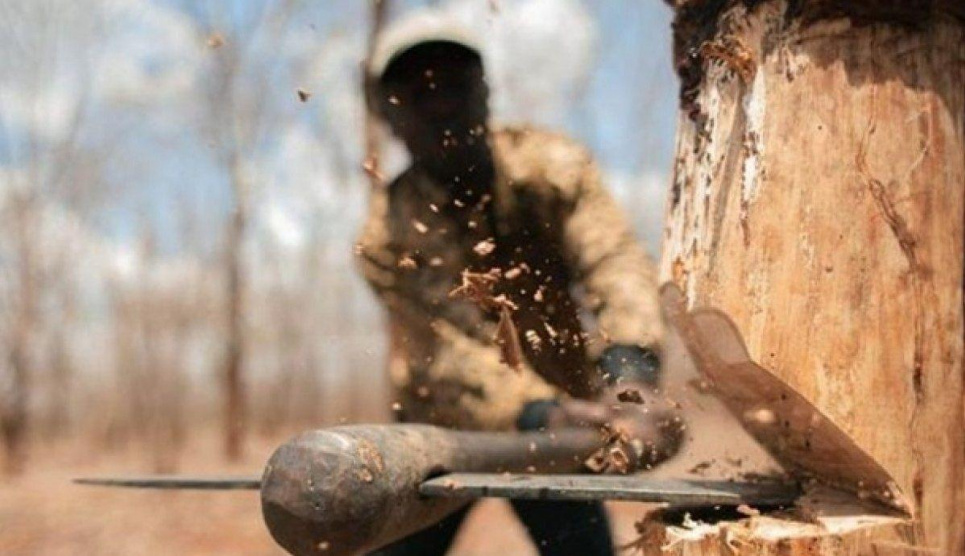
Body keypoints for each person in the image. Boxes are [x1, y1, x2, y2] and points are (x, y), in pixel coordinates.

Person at [356, 13, 680, 556]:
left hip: (562, 426)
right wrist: (544, 415)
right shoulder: (385, 235)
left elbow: (614, 260)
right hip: (443, 431)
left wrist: (631, 375)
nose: (440, 106)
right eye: (417, 94)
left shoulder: (552, 167)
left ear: (485, 92)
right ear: (390, 117)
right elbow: (446, 354)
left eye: (455, 85)